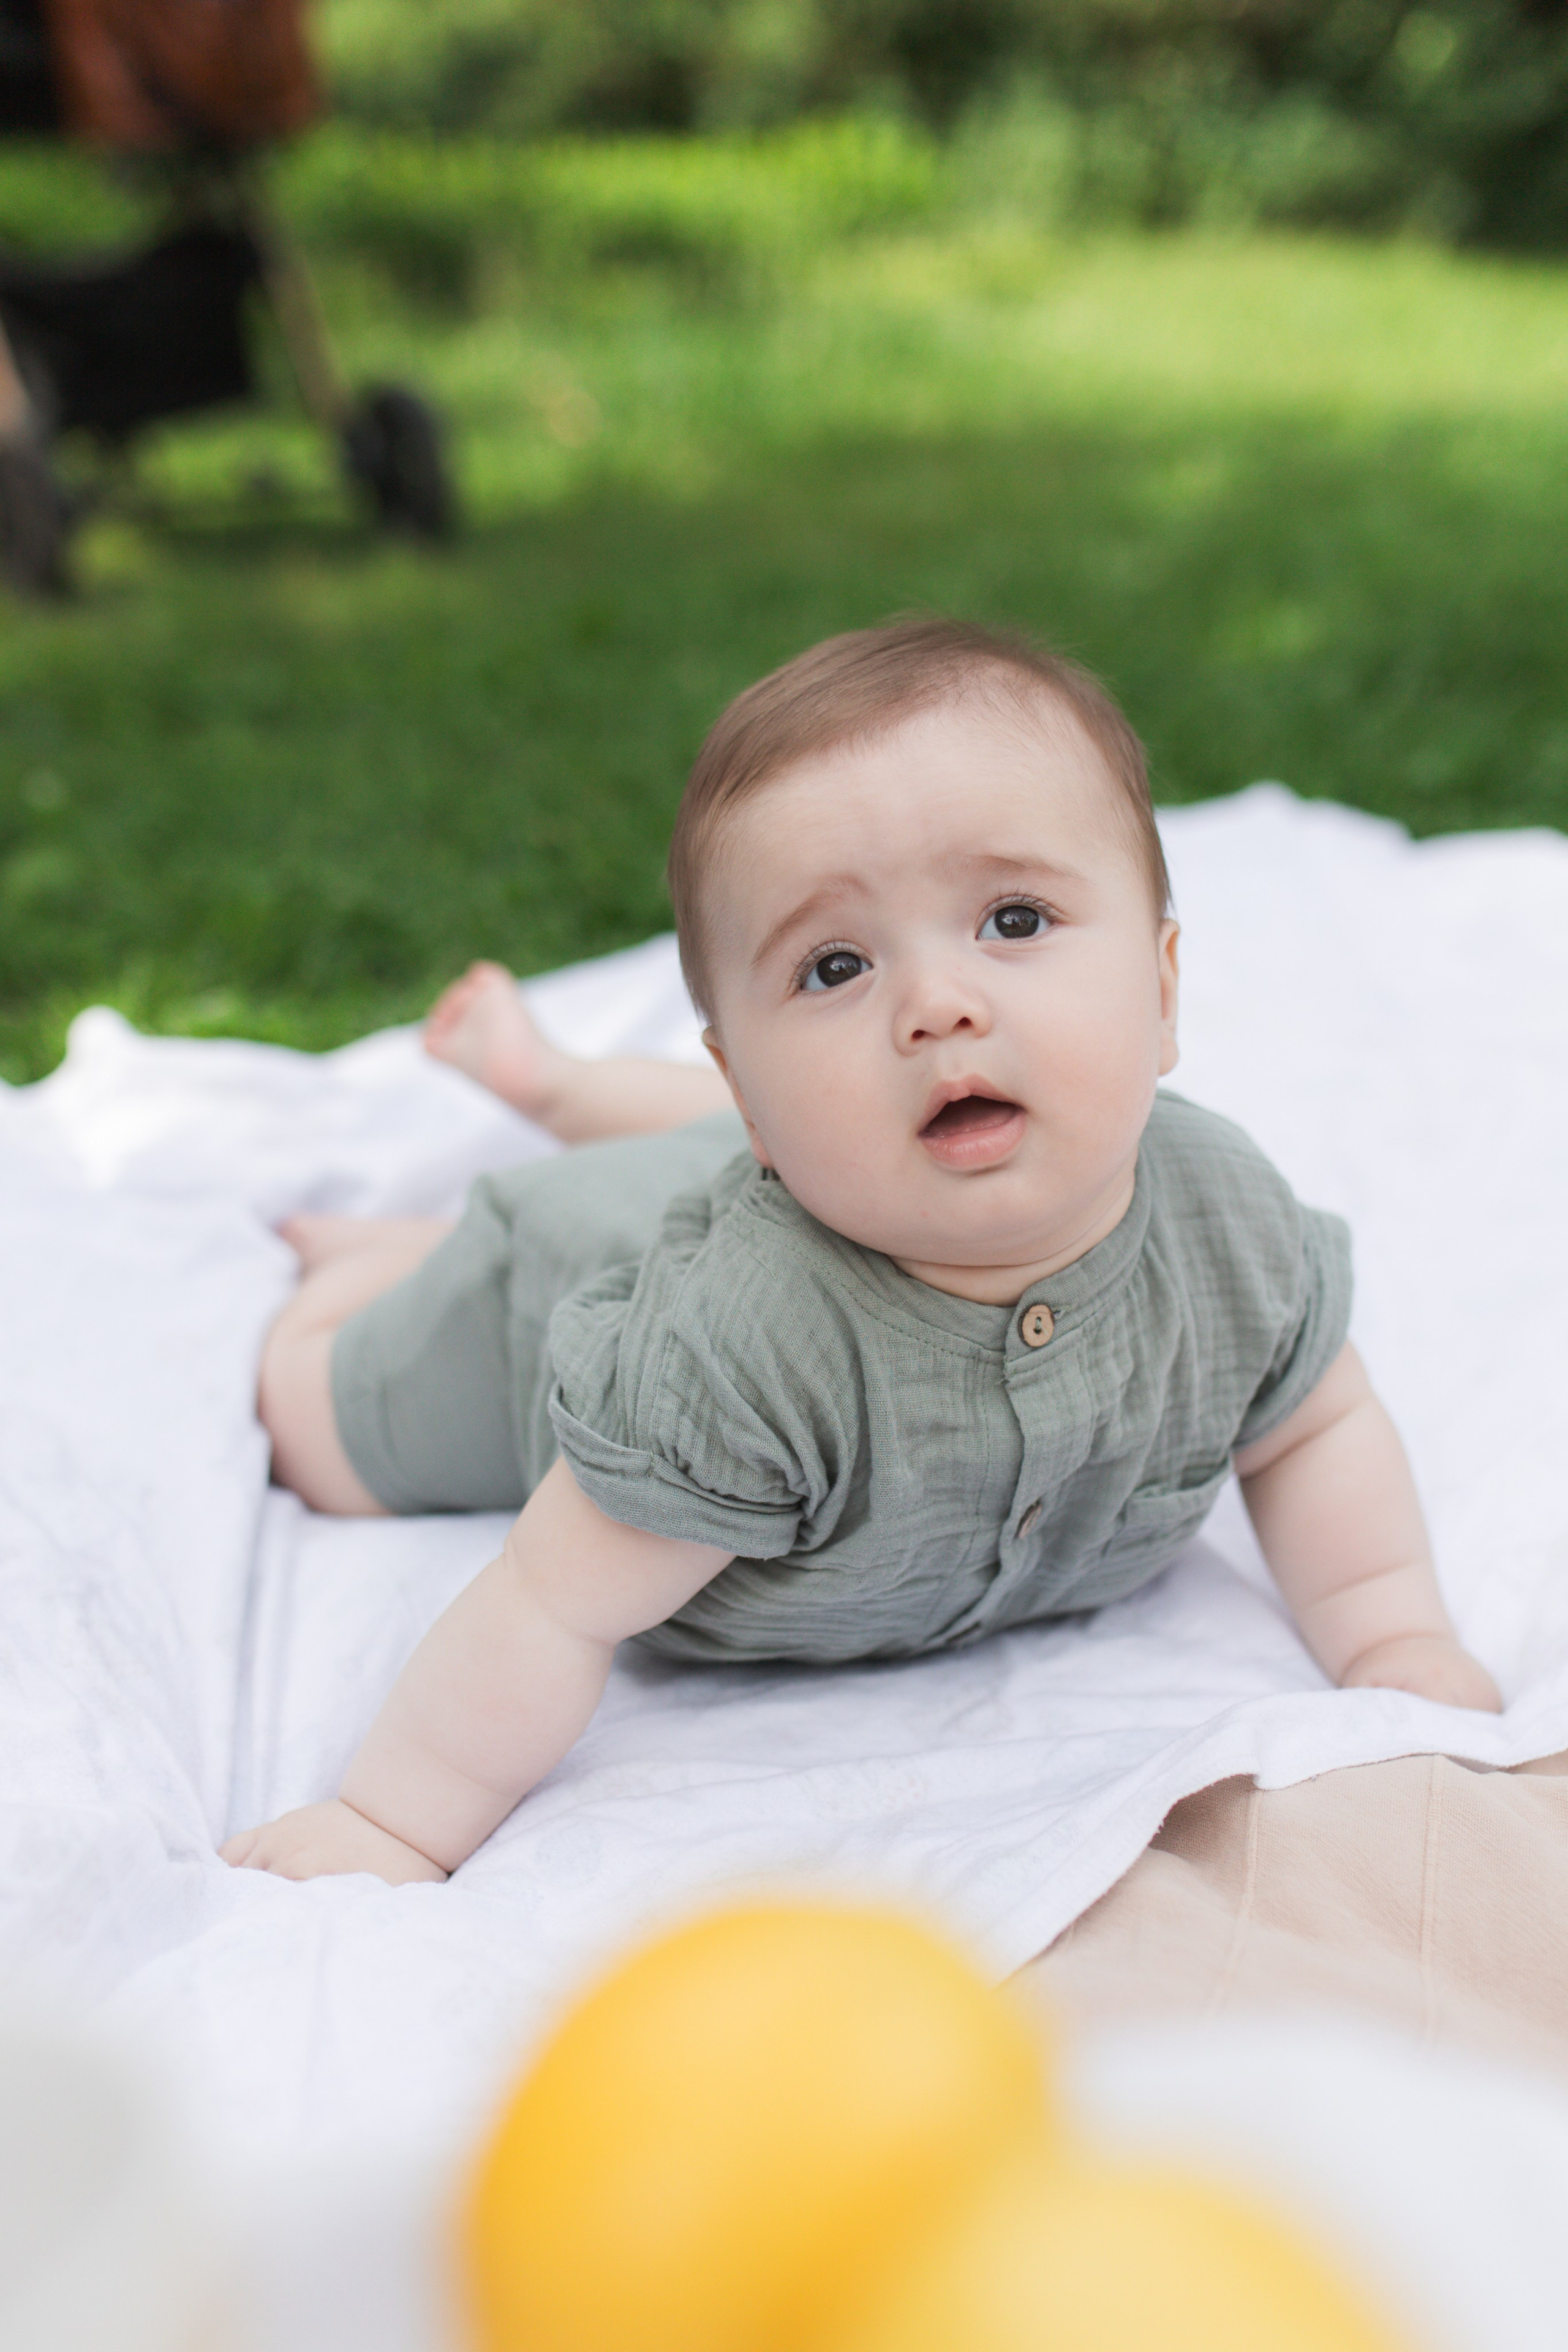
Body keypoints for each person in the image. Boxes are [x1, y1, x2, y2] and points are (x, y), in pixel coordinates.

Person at [224, 617, 1501, 1888]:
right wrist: (392, 1824)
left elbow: (1312, 1428)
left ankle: (551, 1084)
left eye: (1012, 917)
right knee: (317, 1424)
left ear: (1163, 993)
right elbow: (550, 1603)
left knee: (820, 1135)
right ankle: (371, 1265)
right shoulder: (733, 1353)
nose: (936, 1004)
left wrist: (1390, 1633)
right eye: (834, 965)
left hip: (772, 1164)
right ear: (748, 1089)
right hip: (545, 1282)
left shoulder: (1225, 1226)